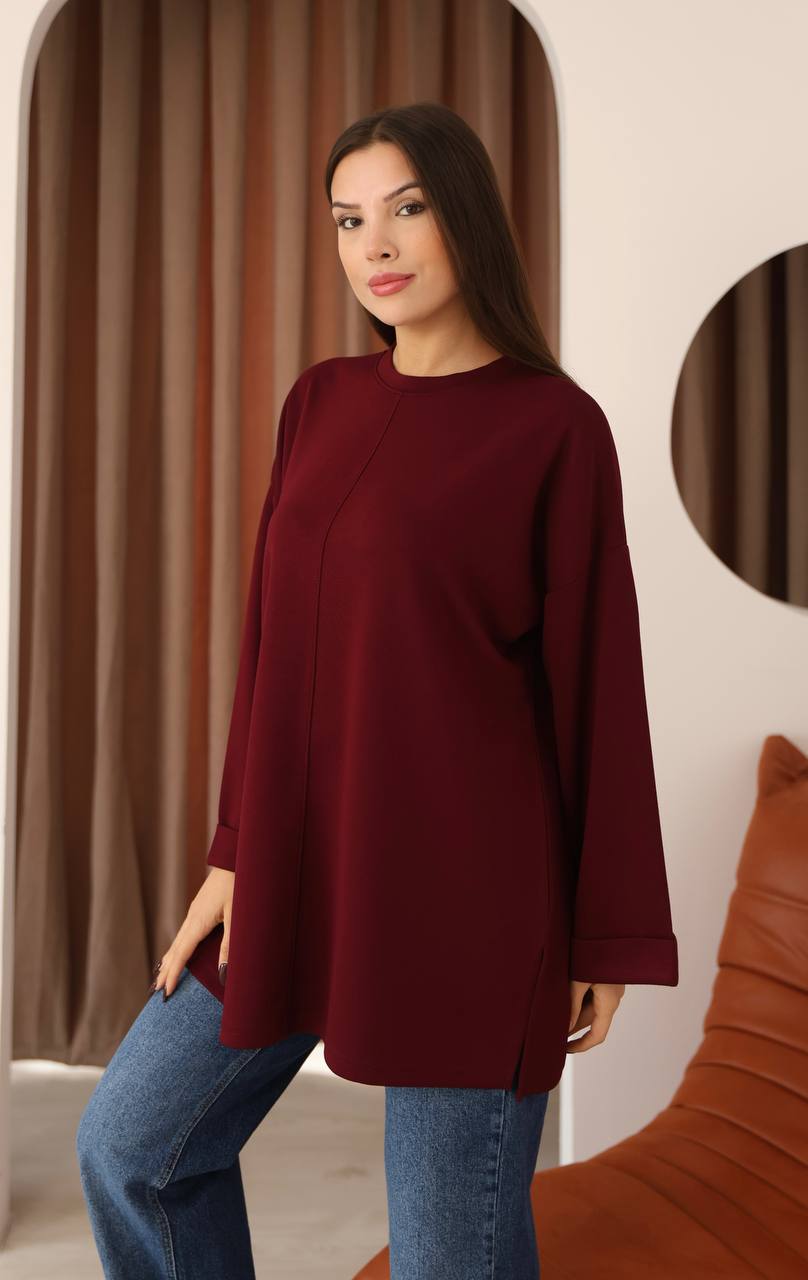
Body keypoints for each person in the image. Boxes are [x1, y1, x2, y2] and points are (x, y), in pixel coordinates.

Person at [77, 100, 678, 1279]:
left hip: (471, 904)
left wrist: (603, 931)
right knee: (131, 1145)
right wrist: (234, 850)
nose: (377, 245)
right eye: (349, 220)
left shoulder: (554, 428)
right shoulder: (321, 401)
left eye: (406, 208)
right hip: (300, 861)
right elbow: (272, 648)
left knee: (450, 1258)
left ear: (468, 218)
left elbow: (599, 692)